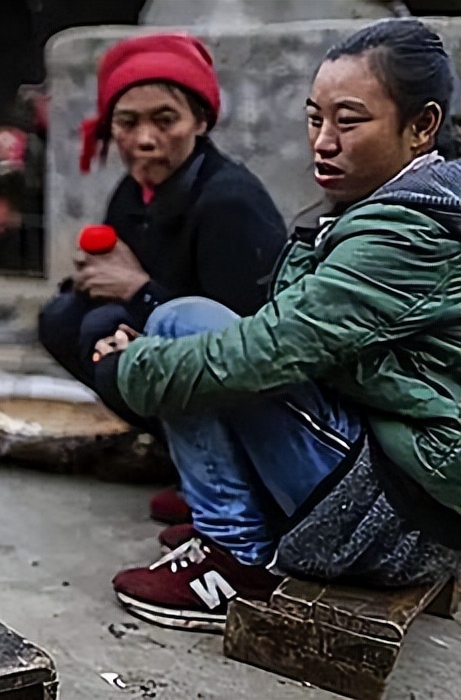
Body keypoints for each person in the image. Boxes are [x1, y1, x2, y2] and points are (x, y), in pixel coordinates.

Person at [95, 19, 461, 631]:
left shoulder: (407, 233)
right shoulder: (383, 206)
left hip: (399, 521)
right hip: (395, 483)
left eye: (349, 121)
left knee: (185, 330)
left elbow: (271, 350)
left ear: (421, 126)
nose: (323, 141)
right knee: (181, 320)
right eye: (316, 118)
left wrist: (129, 368)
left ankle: (235, 555)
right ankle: (240, 513)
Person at [36, 33, 289, 523]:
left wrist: (137, 290)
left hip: (239, 380)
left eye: (165, 120)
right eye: (127, 122)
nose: (144, 139)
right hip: (163, 339)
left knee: (103, 335)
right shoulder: (134, 193)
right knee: (67, 318)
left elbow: (248, 341)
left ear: (199, 120)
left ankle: (232, 474)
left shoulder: (230, 203)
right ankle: (174, 448)